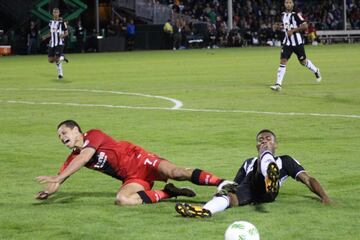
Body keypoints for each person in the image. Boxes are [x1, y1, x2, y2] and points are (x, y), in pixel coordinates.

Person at [36, 120, 226, 205]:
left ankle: (222, 183)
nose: (61, 138)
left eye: (64, 133)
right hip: (132, 178)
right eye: (59, 136)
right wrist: (48, 191)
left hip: (142, 160)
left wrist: (60, 176)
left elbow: (85, 157)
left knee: (176, 172)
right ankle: (167, 193)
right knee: (122, 200)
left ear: (76, 130)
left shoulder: (93, 135)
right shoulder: (72, 159)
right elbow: (57, 181)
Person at [175, 129, 331, 218]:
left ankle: (270, 175)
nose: (263, 141)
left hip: (269, 190)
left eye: (268, 139)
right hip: (251, 189)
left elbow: (308, 179)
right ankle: (206, 210)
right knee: (227, 196)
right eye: (260, 140)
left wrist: (325, 197)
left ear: (275, 144)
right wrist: (223, 190)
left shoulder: (286, 160)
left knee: (264, 159)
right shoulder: (247, 162)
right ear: (256, 145)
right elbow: (236, 185)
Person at [270, 0, 321, 91]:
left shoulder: (296, 14)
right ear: (284, 4)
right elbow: (286, 26)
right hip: (287, 43)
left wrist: (293, 31)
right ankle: (278, 84)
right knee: (283, 61)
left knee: (303, 62)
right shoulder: (282, 14)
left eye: (290, 2)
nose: (288, 4)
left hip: (297, 43)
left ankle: (316, 70)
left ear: (292, 4)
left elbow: (305, 26)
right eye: (286, 2)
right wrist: (279, 27)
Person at [43, 8, 68, 80]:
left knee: (57, 59)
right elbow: (50, 33)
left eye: (57, 12)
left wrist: (62, 35)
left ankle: (60, 74)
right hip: (52, 43)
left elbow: (67, 33)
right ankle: (62, 57)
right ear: (53, 13)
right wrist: (45, 36)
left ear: (59, 13)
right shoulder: (50, 22)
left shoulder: (63, 22)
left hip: (59, 43)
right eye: (54, 12)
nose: (55, 14)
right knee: (50, 60)